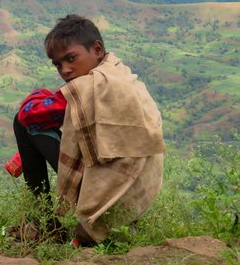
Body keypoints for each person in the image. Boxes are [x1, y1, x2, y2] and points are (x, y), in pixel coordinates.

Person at [9, 14, 165, 245]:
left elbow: (30, 114)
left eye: (71, 58)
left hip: (108, 187)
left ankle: (45, 223)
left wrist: (40, 95)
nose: (65, 70)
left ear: (97, 49)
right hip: (132, 189)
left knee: (22, 123)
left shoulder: (93, 86)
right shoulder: (120, 74)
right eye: (58, 64)